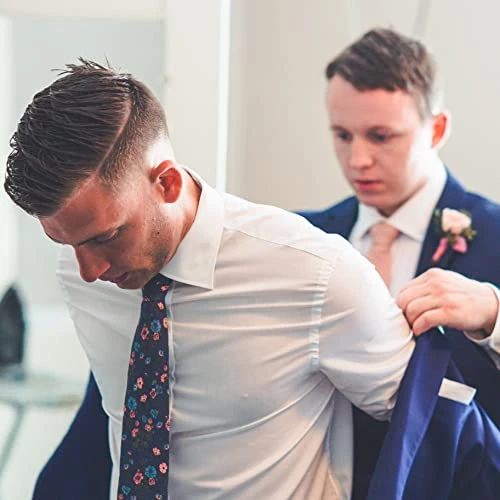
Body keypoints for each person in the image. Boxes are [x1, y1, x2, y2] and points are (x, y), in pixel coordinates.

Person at [4, 59, 419, 499]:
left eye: (106, 237)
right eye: (65, 242)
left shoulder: (318, 274)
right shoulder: (80, 270)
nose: (90, 271)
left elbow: (428, 427)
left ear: (167, 183)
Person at [297, 27, 500, 498]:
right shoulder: (304, 237)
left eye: (380, 136)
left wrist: (494, 314)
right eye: (342, 135)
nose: (357, 159)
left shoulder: (495, 233)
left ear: (437, 130)